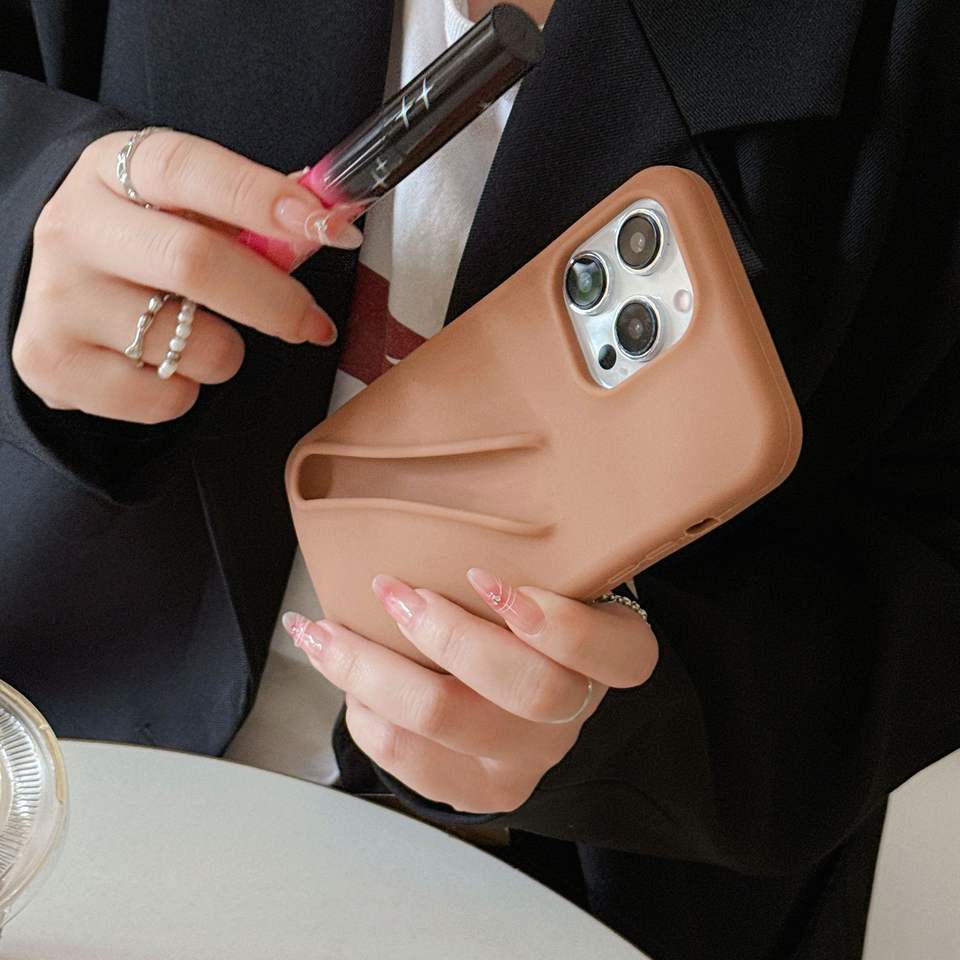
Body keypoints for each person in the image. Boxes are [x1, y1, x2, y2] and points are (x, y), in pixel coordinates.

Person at [1, 2, 957, 958]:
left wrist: (623, 714)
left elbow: (926, 574)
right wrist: (31, 220)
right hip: (58, 773)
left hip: (573, 898)